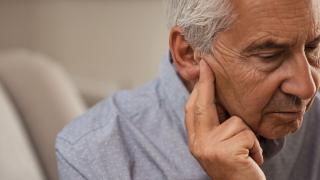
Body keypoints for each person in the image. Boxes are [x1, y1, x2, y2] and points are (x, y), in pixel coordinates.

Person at [56, 0, 320, 179]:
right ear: (189, 53)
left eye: (312, 48)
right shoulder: (92, 155)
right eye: (269, 55)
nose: (307, 87)